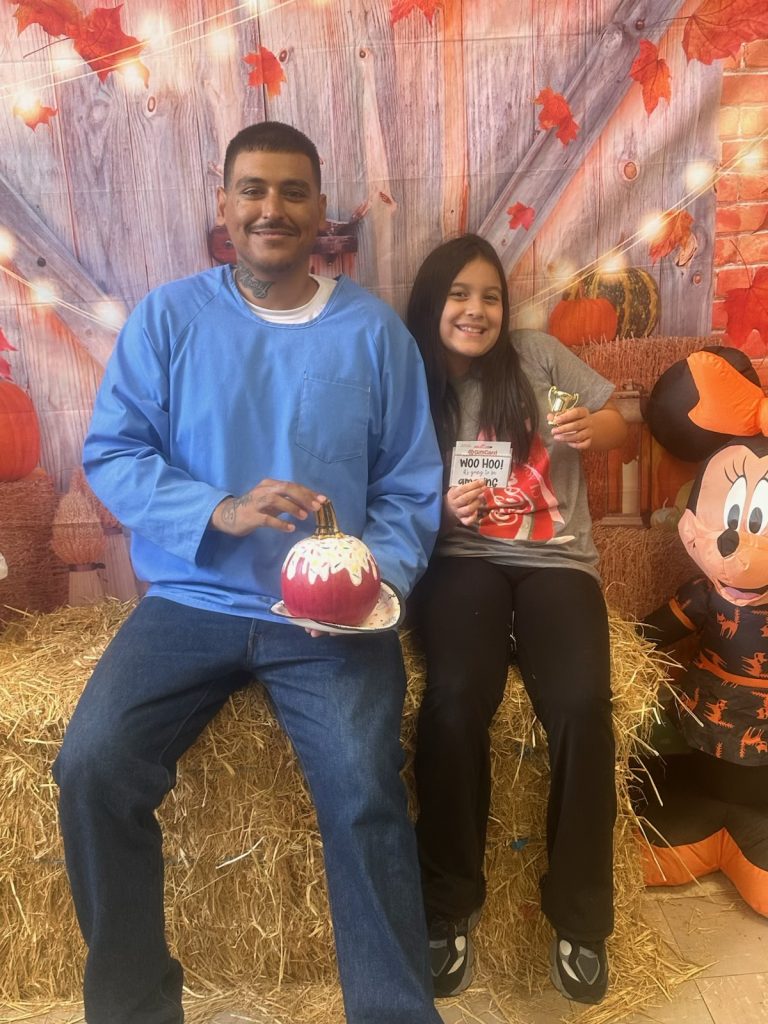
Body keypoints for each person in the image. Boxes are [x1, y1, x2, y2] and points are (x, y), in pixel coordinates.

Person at [52, 122, 445, 1024]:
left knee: (363, 790)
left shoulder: (373, 333)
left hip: (330, 618)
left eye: (293, 191)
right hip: (192, 598)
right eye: (254, 190)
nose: (273, 208)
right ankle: (133, 1011)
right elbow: (114, 453)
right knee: (92, 765)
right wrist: (217, 511)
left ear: (321, 211)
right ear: (224, 205)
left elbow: (410, 482)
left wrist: (373, 581)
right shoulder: (168, 319)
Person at [405, 234, 628, 1005]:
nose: (476, 310)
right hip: (461, 560)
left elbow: (618, 422)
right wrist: (441, 510)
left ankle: (581, 918)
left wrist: (593, 430)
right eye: (459, 295)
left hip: (556, 563)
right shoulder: (413, 383)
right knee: (454, 699)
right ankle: (448, 906)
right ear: (432, 303)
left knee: (581, 706)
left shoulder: (538, 357)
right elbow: (389, 494)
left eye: (490, 296)